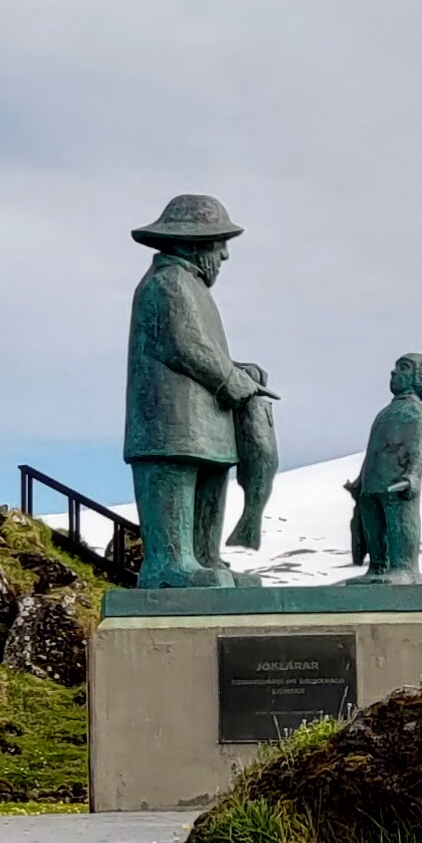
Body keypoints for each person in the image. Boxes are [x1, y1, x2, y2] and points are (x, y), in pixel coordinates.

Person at [121, 194, 276, 588]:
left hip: (207, 419)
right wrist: (229, 379)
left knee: (210, 481)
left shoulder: (191, 286)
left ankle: (205, 557)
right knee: (175, 478)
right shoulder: (168, 283)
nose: (223, 255)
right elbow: (182, 345)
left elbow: (201, 347)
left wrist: (237, 369)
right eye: (218, 243)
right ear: (194, 243)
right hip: (170, 421)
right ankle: (170, 564)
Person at [348, 351, 422, 579]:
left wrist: (414, 474)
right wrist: (360, 480)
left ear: (420, 377)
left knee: (400, 521)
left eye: (404, 368)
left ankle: (404, 568)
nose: (394, 372)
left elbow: (419, 445)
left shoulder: (416, 411)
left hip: (397, 481)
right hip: (372, 481)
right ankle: (377, 566)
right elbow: (372, 451)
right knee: (372, 524)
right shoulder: (384, 414)